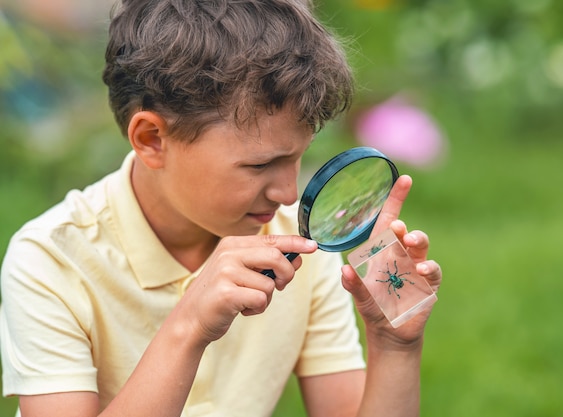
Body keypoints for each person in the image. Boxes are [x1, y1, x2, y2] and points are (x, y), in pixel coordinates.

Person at [0, 1, 442, 416]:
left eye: (298, 157)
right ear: (153, 139)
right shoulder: (50, 261)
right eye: (260, 164)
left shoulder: (298, 243)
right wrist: (189, 326)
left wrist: (393, 346)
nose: (289, 194)